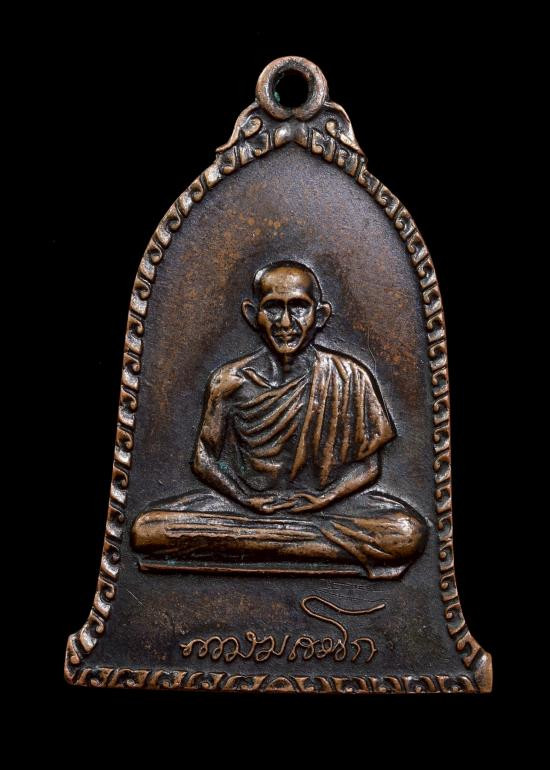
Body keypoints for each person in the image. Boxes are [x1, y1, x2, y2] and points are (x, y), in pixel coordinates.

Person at [131, 260, 427, 578]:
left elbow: (369, 467)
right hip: (243, 509)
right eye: (273, 308)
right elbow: (204, 459)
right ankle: (300, 543)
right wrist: (246, 498)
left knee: (406, 531)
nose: (285, 322)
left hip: (331, 509)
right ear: (252, 315)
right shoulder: (229, 381)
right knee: (148, 529)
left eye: (298, 307)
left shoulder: (350, 377)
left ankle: (263, 543)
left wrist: (322, 499)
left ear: (320, 315)